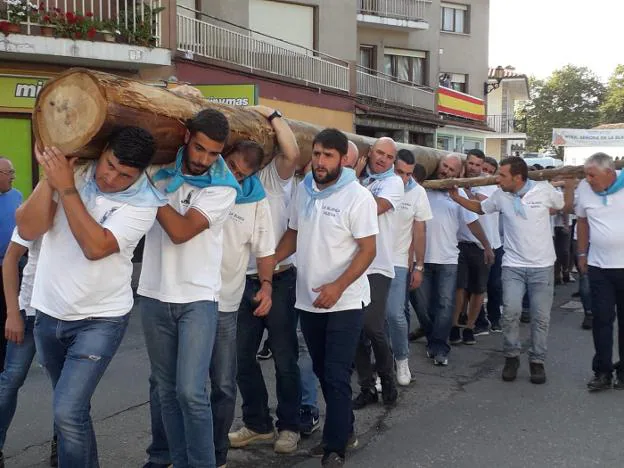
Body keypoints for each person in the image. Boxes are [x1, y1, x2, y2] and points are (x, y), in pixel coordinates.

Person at [15, 127, 164, 467]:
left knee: (67, 411)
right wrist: (48, 180)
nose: (111, 178)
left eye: (125, 174)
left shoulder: (144, 203)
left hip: (100, 320)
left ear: (139, 174)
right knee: (71, 410)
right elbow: (27, 229)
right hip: (48, 314)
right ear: (104, 151)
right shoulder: (77, 171)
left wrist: (65, 187)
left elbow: (95, 247)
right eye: (109, 165)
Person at [138, 109, 239, 468]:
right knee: (165, 391)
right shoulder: (158, 169)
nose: (204, 160)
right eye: (199, 149)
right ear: (186, 139)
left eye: (213, 153)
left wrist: (148, 190)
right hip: (153, 293)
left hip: (198, 298)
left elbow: (180, 232)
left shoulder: (224, 187)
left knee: (191, 392)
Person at [274, 128, 378, 467]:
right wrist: (270, 260)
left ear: (343, 159)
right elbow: (293, 233)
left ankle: (335, 448)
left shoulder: (357, 197)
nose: (319, 161)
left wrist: (338, 286)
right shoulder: (303, 191)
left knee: (335, 373)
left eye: (327, 155)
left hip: (345, 301)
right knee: (321, 369)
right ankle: (344, 429)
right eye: (316, 154)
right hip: (308, 299)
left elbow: (367, 251)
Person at [449, 156, 574, 384]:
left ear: (517, 178)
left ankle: (537, 361)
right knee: (511, 313)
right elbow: (480, 208)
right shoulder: (500, 195)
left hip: (542, 266)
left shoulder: (543, 190)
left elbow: (564, 206)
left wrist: (571, 186)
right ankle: (511, 356)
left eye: (502, 175)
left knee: (541, 318)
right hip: (513, 266)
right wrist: (457, 197)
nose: (498, 179)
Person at [229, 106, 303, 455]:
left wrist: (271, 113)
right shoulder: (224, 178)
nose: (240, 171)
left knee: (285, 358)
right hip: (238, 281)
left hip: (279, 277)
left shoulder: (273, 177)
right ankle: (258, 424)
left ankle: (290, 425)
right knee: (242, 359)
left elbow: (293, 151)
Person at [413, 154, 493, 366]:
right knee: (422, 306)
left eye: (451, 170)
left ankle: (439, 346)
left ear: (458, 174)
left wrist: (486, 245)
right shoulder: (421, 191)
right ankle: (433, 338)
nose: (446, 171)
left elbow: (473, 223)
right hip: (420, 259)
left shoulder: (457, 197)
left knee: (445, 305)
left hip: (448, 259)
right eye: (444, 166)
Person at [353, 137, 403, 409]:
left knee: (372, 326)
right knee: (356, 331)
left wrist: (351, 181)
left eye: (389, 156)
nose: (383, 159)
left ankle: (388, 378)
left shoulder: (394, 183)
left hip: (378, 265)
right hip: (352, 264)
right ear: (370, 153)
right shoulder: (359, 178)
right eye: (379, 153)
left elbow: (374, 207)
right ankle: (367, 387)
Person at [0, 230, 52, 468]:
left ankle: (64, 447)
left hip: (68, 316)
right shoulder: (38, 207)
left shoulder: (94, 205)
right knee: (10, 380)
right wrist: (12, 313)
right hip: (29, 312)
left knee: (68, 391)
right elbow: (11, 257)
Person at [576, 154, 624, 391]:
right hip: (599, 267)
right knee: (602, 320)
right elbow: (582, 221)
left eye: (592, 174)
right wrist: (582, 253)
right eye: (586, 174)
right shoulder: (585, 189)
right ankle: (602, 371)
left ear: (610, 173)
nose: (587, 179)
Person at [388, 149, 432, 385]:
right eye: (399, 172)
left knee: (395, 314)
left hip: (398, 260)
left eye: (408, 174)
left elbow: (420, 230)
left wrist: (419, 266)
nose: (404, 179)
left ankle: (402, 360)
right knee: (376, 320)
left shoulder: (417, 192)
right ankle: (382, 367)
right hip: (372, 259)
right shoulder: (375, 184)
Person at [451, 149, 501, 344]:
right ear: (466, 163)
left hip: (483, 244)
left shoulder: (491, 184)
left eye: (478, 165)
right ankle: (455, 326)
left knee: (479, 289)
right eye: (471, 163)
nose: (474, 168)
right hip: (461, 242)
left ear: (482, 167)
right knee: (460, 288)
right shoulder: (456, 181)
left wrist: (470, 192)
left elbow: (481, 205)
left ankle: (470, 327)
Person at [0, 157, 22, 374]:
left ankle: (10, 357)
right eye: (10, 172)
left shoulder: (17, 196)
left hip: (14, 264)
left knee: (13, 310)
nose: (14, 176)